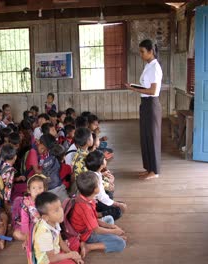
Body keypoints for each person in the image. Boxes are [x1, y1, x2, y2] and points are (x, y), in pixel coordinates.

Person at [124, 39, 163, 180]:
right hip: (145, 104)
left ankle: (155, 170)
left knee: (152, 137)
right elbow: (146, 87)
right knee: (145, 137)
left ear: (151, 51)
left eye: (142, 52)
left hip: (151, 104)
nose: (140, 54)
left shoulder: (155, 67)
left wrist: (134, 88)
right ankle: (148, 168)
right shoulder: (148, 66)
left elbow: (152, 91)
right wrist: (135, 87)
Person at [70, 171, 126, 255]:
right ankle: (88, 246)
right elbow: (96, 230)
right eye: (99, 184)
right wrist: (114, 231)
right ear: (96, 189)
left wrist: (111, 226)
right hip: (86, 234)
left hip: (89, 227)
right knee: (121, 244)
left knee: (109, 218)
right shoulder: (85, 207)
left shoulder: (85, 198)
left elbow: (94, 219)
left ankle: (111, 237)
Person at [32, 192, 84, 264]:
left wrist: (72, 255)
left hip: (56, 251)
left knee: (75, 242)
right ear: (45, 217)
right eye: (56, 210)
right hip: (48, 261)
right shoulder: (44, 234)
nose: (61, 211)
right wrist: (70, 255)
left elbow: (60, 241)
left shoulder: (54, 221)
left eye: (60, 207)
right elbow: (51, 259)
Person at [85, 151, 126, 221]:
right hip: (95, 203)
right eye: (104, 159)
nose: (105, 160)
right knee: (118, 210)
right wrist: (118, 204)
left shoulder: (90, 173)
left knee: (110, 192)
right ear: (101, 165)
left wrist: (102, 174)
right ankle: (99, 215)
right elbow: (102, 197)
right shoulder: (96, 180)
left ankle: (99, 212)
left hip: (92, 201)